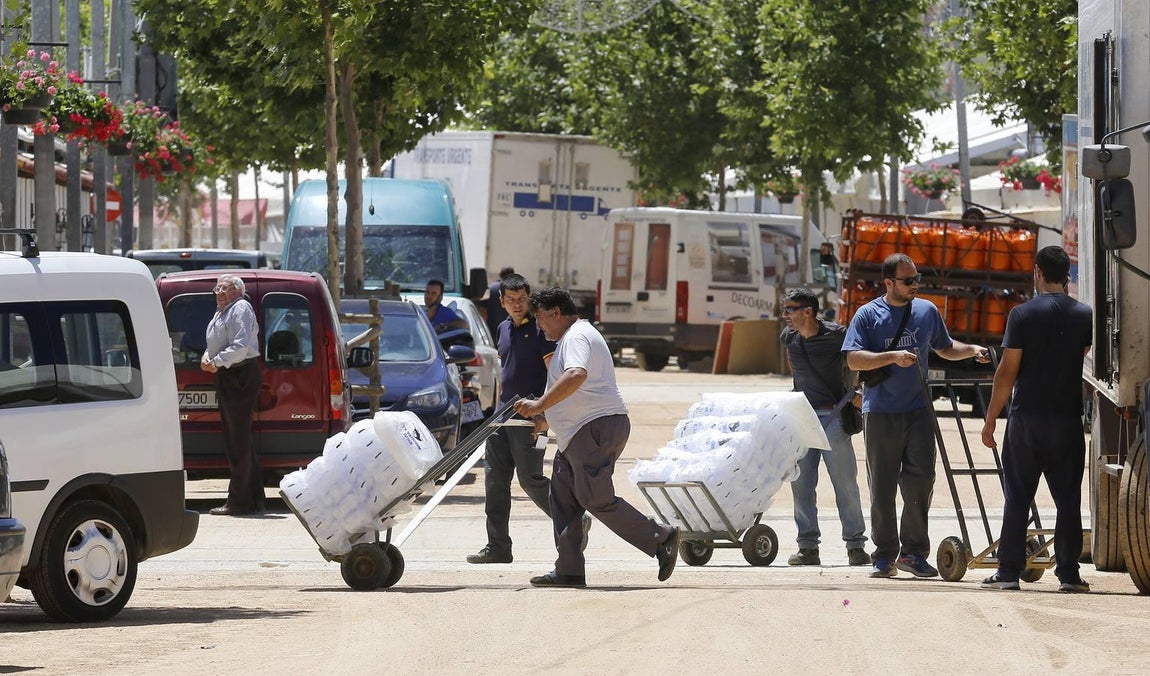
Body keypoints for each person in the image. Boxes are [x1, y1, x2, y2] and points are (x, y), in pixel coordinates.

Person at [514, 287, 679, 587]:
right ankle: (569, 570)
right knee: (562, 499)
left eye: (540, 317)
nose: (538, 325)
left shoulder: (577, 336)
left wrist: (539, 405)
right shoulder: (571, 338)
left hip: (593, 429)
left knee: (595, 498)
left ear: (556, 313)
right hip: (578, 433)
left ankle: (660, 536)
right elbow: (573, 388)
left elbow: (576, 376)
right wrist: (546, 417)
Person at [843, 253, 989, 578]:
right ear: (888, 282)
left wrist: (972, 350)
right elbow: (853, 359)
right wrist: (891, 357)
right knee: (882, 487)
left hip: (919, 411)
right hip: (881, 411)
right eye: (908, 280)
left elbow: (944, 347)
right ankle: (884, 555)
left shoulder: (927, 311)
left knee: (920, 482)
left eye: (917, 279)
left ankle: (912, 553)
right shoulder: (867, 315)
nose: (915, 285)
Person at [979, 246, 1093, 593]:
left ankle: (1008, 572)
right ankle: (1069, 574)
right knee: (1068, 499)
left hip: (1027, 418)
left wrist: (991, 417)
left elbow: (1007, 370)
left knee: (1018, 495)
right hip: (1067, 419)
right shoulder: (1084, 314)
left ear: (1037, 272)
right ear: (1067, 275)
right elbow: (1082, 354)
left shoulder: (1022, 314)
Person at [467, 273, 592, 564]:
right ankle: (498, 546)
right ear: (502, 301)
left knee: (530, 479)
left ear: (529, 298)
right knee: (494, 482)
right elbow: (506, 371)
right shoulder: (503, 328)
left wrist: (545, 413)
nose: (517, 304)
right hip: (502, 417)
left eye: (522, 299)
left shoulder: (539, 329)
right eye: (511, 300)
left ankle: (573, 519)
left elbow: (555, 375)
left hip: (531, 417)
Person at [779, 288, 869, 567]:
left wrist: (858, 390)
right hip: (803, 419)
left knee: (845, 484)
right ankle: (807, 547)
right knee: (801, 485)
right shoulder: (789, 337)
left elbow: (858, 360)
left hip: (835, 416)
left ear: (808, 311)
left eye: (790, 309)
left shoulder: (837, 335)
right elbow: (795, 370)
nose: (785, 315)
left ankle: (856, 546)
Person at [201, 274, 264, 516]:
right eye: (217, 288)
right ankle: (254, 498)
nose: (219, 293)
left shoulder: (240, 308)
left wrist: (216, 362)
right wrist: (208, 357)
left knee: (237, 441)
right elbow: (216, 342)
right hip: (229, 374)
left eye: (225, 288)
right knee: (239, 439)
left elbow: (240, 346)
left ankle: (238, 502)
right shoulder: (222, 311)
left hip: (240, 374)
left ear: (237, 291)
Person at [481, 266, 515, 337]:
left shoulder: (490, 289)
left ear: (500, 275)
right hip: (509, 331)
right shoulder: (516, 291)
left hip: (490, 331)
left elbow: (482, 310)